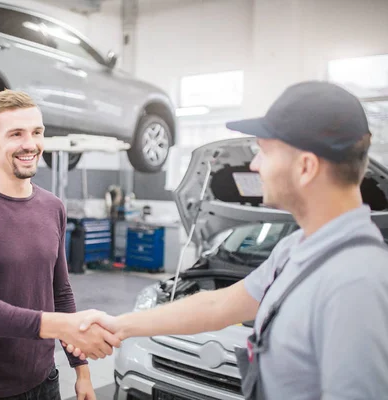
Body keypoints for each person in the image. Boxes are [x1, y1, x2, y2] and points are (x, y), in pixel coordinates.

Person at [68, 81, 388, 399]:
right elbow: (218, 304)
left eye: (264, 152)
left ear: (305, 167)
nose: (254, 165)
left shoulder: (357, 283)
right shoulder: (297, 250)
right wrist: (119, 326)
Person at [0, 89, 120, 400]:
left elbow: (59, 292)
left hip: (45, 382)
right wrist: (61, 326)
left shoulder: (52, 206)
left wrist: (82, 370)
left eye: (37, 132)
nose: (30, 144)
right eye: (16, 134)